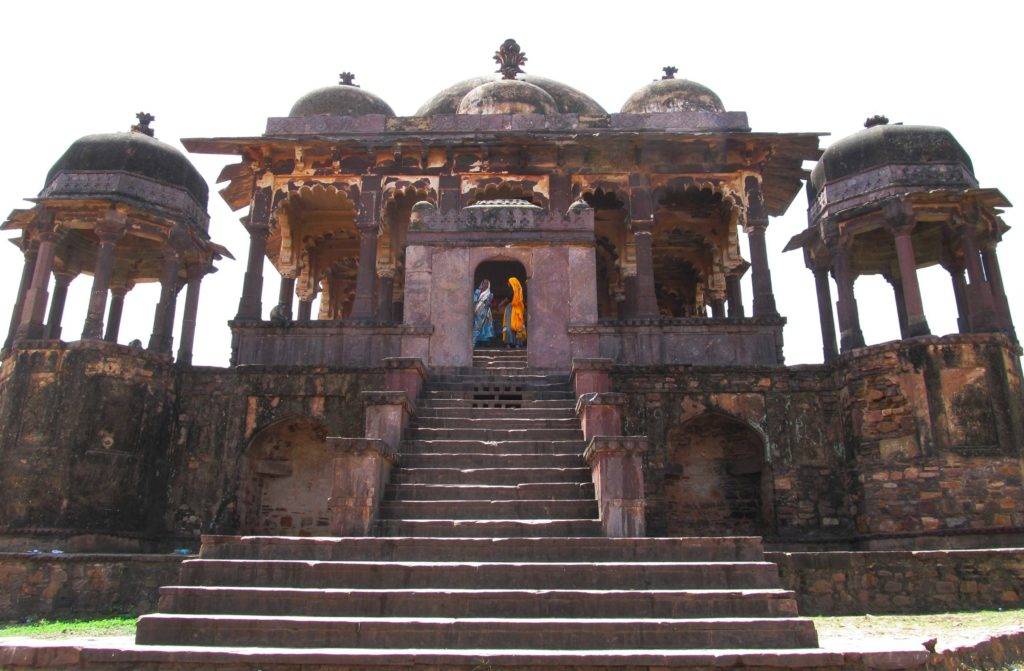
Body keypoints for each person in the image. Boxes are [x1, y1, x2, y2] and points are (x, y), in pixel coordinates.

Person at [502, 277, 527, 348]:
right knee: (518, 326)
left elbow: (507, 299)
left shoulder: (511, 292)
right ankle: (518, 344)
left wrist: (500, 304)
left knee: (508, 325)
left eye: (509, 283)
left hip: (510, 309)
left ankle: (508, 343)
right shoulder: (520, 293)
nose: (508, 284)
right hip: (518, 310)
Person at [472, 279, 495, 346]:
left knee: (485, 325)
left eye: (486, 284)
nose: (485, 285)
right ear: (482, 284)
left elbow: (488, 303)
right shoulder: (477, 291)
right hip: (477, 309)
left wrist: (486, 307)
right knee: (476, 325)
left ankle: (485, 342)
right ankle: (475, 341)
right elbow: (474, 300)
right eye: (484, 283)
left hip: (485, 311)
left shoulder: (489, 294)